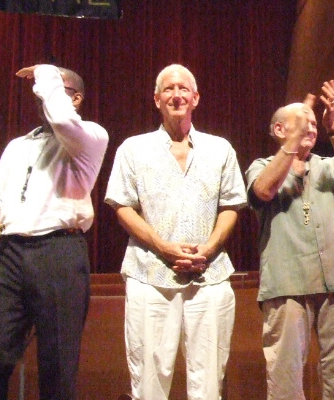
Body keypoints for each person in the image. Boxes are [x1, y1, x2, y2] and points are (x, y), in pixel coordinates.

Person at [0, 64, 109, 399]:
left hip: (59, 252)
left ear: (76, 98)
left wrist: (47, 71)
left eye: (55, 88)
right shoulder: (18, 145)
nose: (41, 95)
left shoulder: (90, 135)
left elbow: (61, 119)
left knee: (57, 362)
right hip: (9, 252)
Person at [104, 64, 247, 399]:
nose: (176, 94)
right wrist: (163, 246)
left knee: (209, 382)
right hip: (149, 274)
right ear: (156, 99)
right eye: (168, 89)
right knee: (148, 383)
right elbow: (121, 206)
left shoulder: (220, 149)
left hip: (209, 276)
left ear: (195, 98)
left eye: (183, 89)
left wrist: (208, 249)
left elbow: (231, 206)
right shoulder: (132, 149)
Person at [244, 80, 334, 400]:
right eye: (301, 122)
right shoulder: (260, 166)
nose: (310, 126)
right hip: (286, 284)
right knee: (285, 379)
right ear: (279, 129)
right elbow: (264, 191)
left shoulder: (327, 165)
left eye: (313, 123)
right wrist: (295, 141)